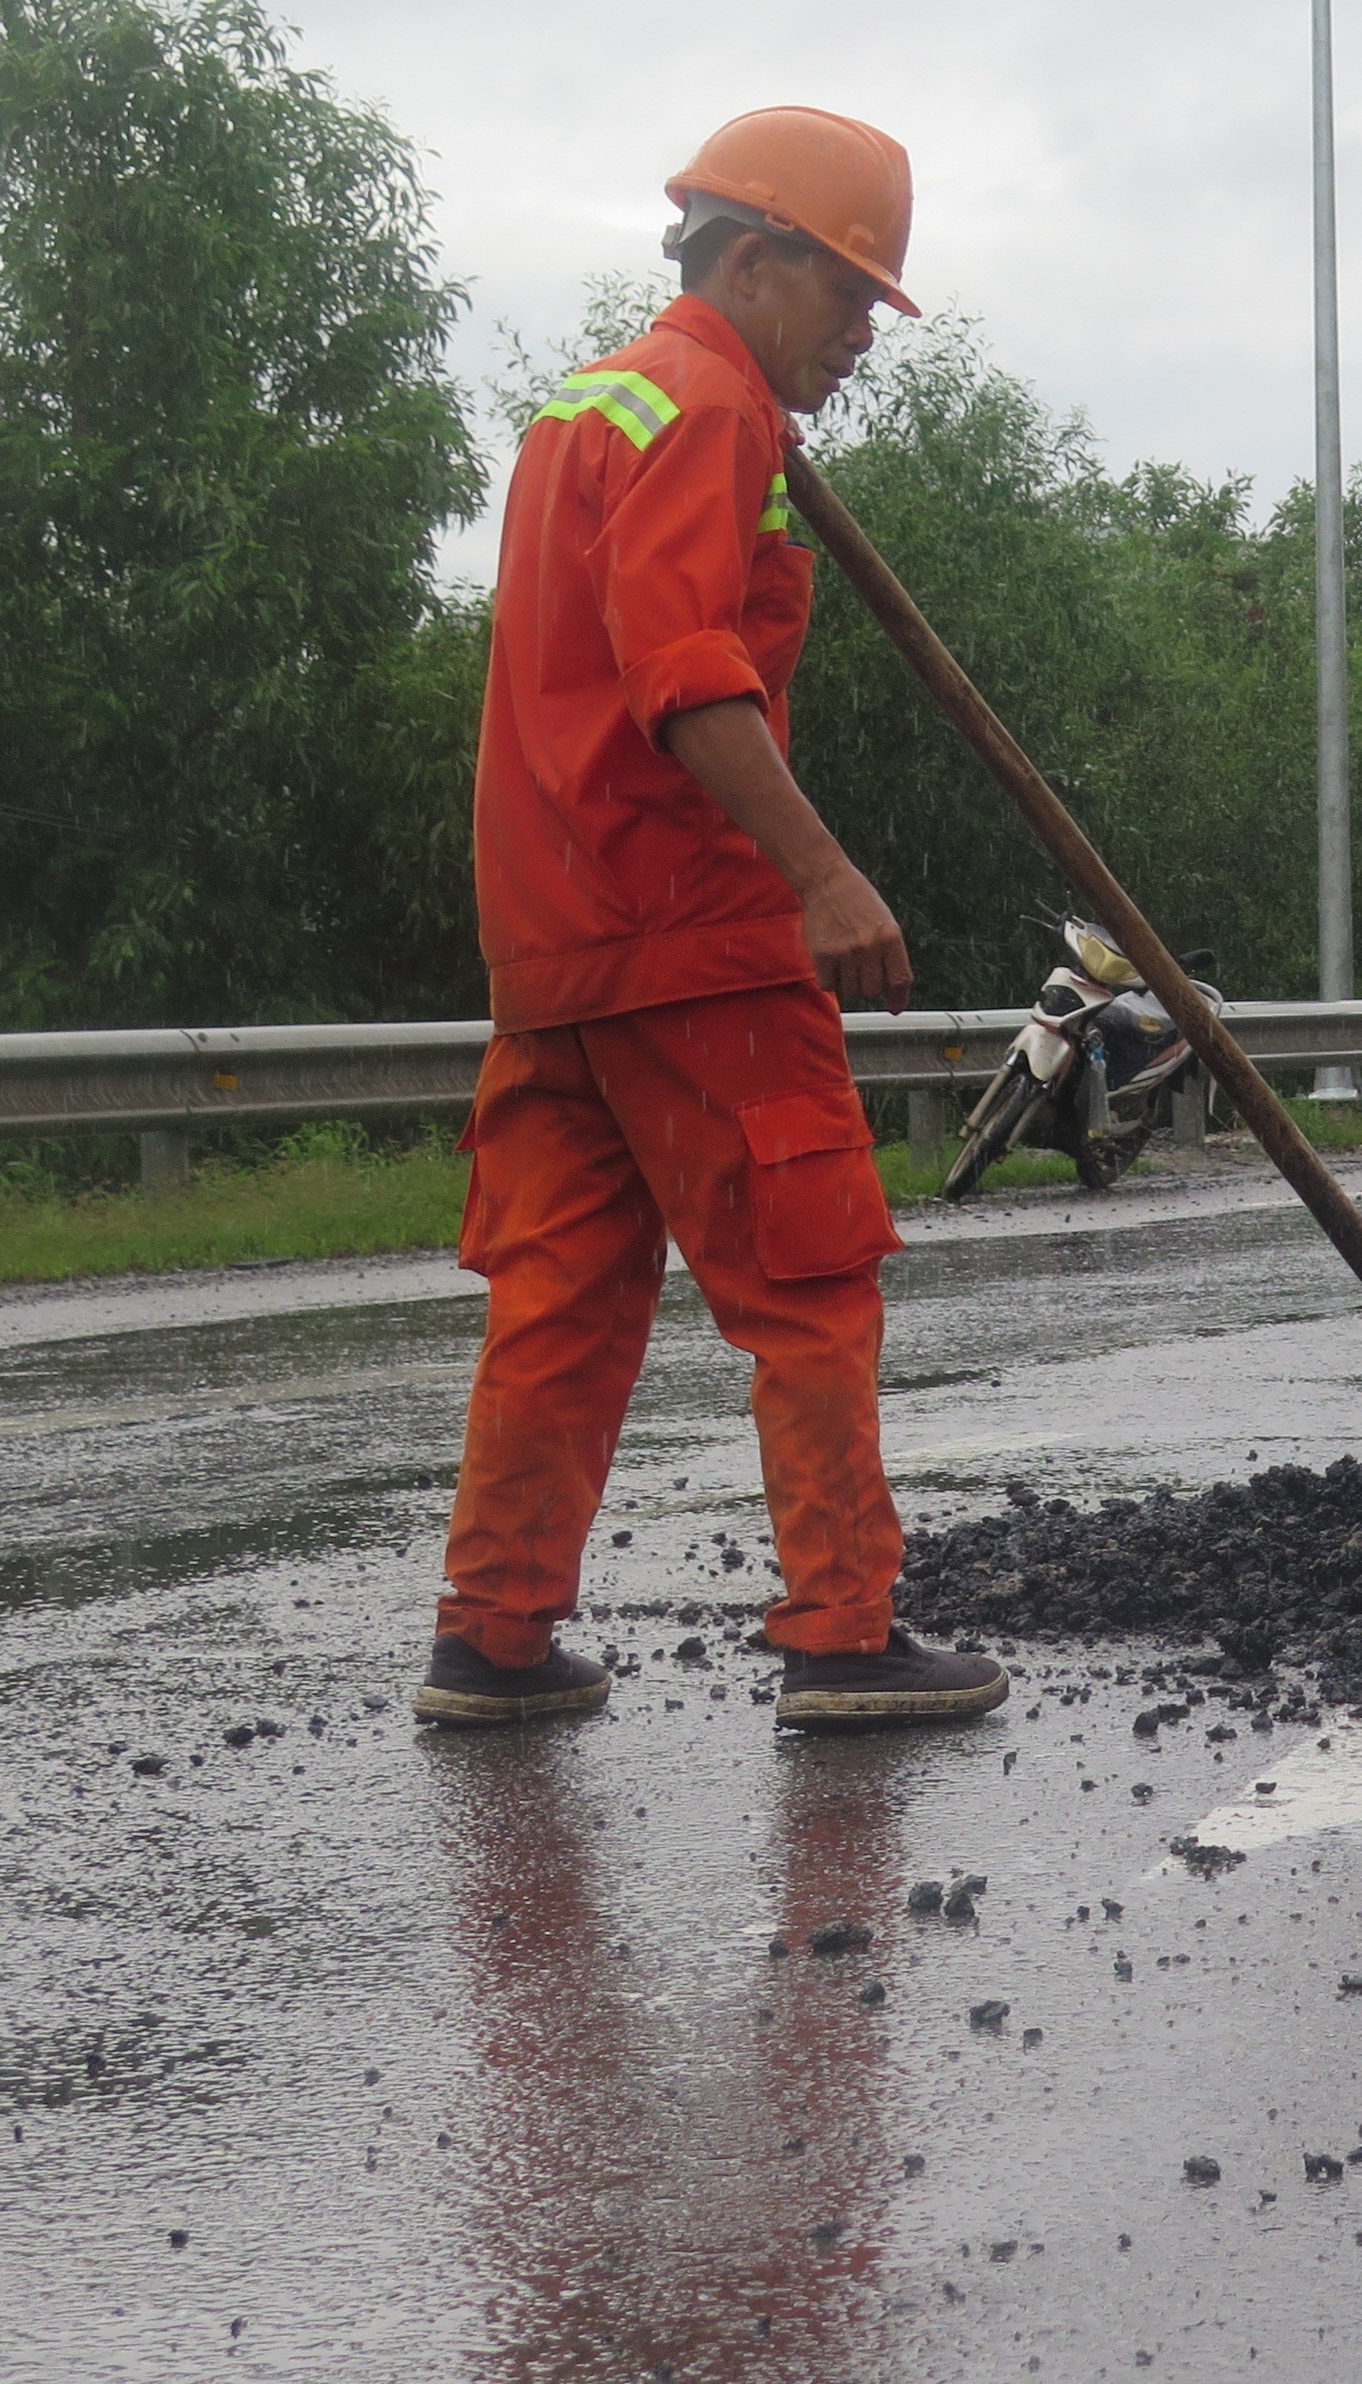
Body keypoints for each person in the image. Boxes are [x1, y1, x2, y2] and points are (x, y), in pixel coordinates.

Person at [418, 108, 1007, 1731]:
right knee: (810, 1276)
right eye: (847, 302)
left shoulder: (592, 407)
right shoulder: (703, 409)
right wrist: (821, 873)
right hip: (687, 931)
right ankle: (842, 1635)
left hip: (552, 944)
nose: (862, 342)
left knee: (563, 1295)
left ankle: (493, 1639)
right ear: (756, 262)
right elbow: (681, 671)